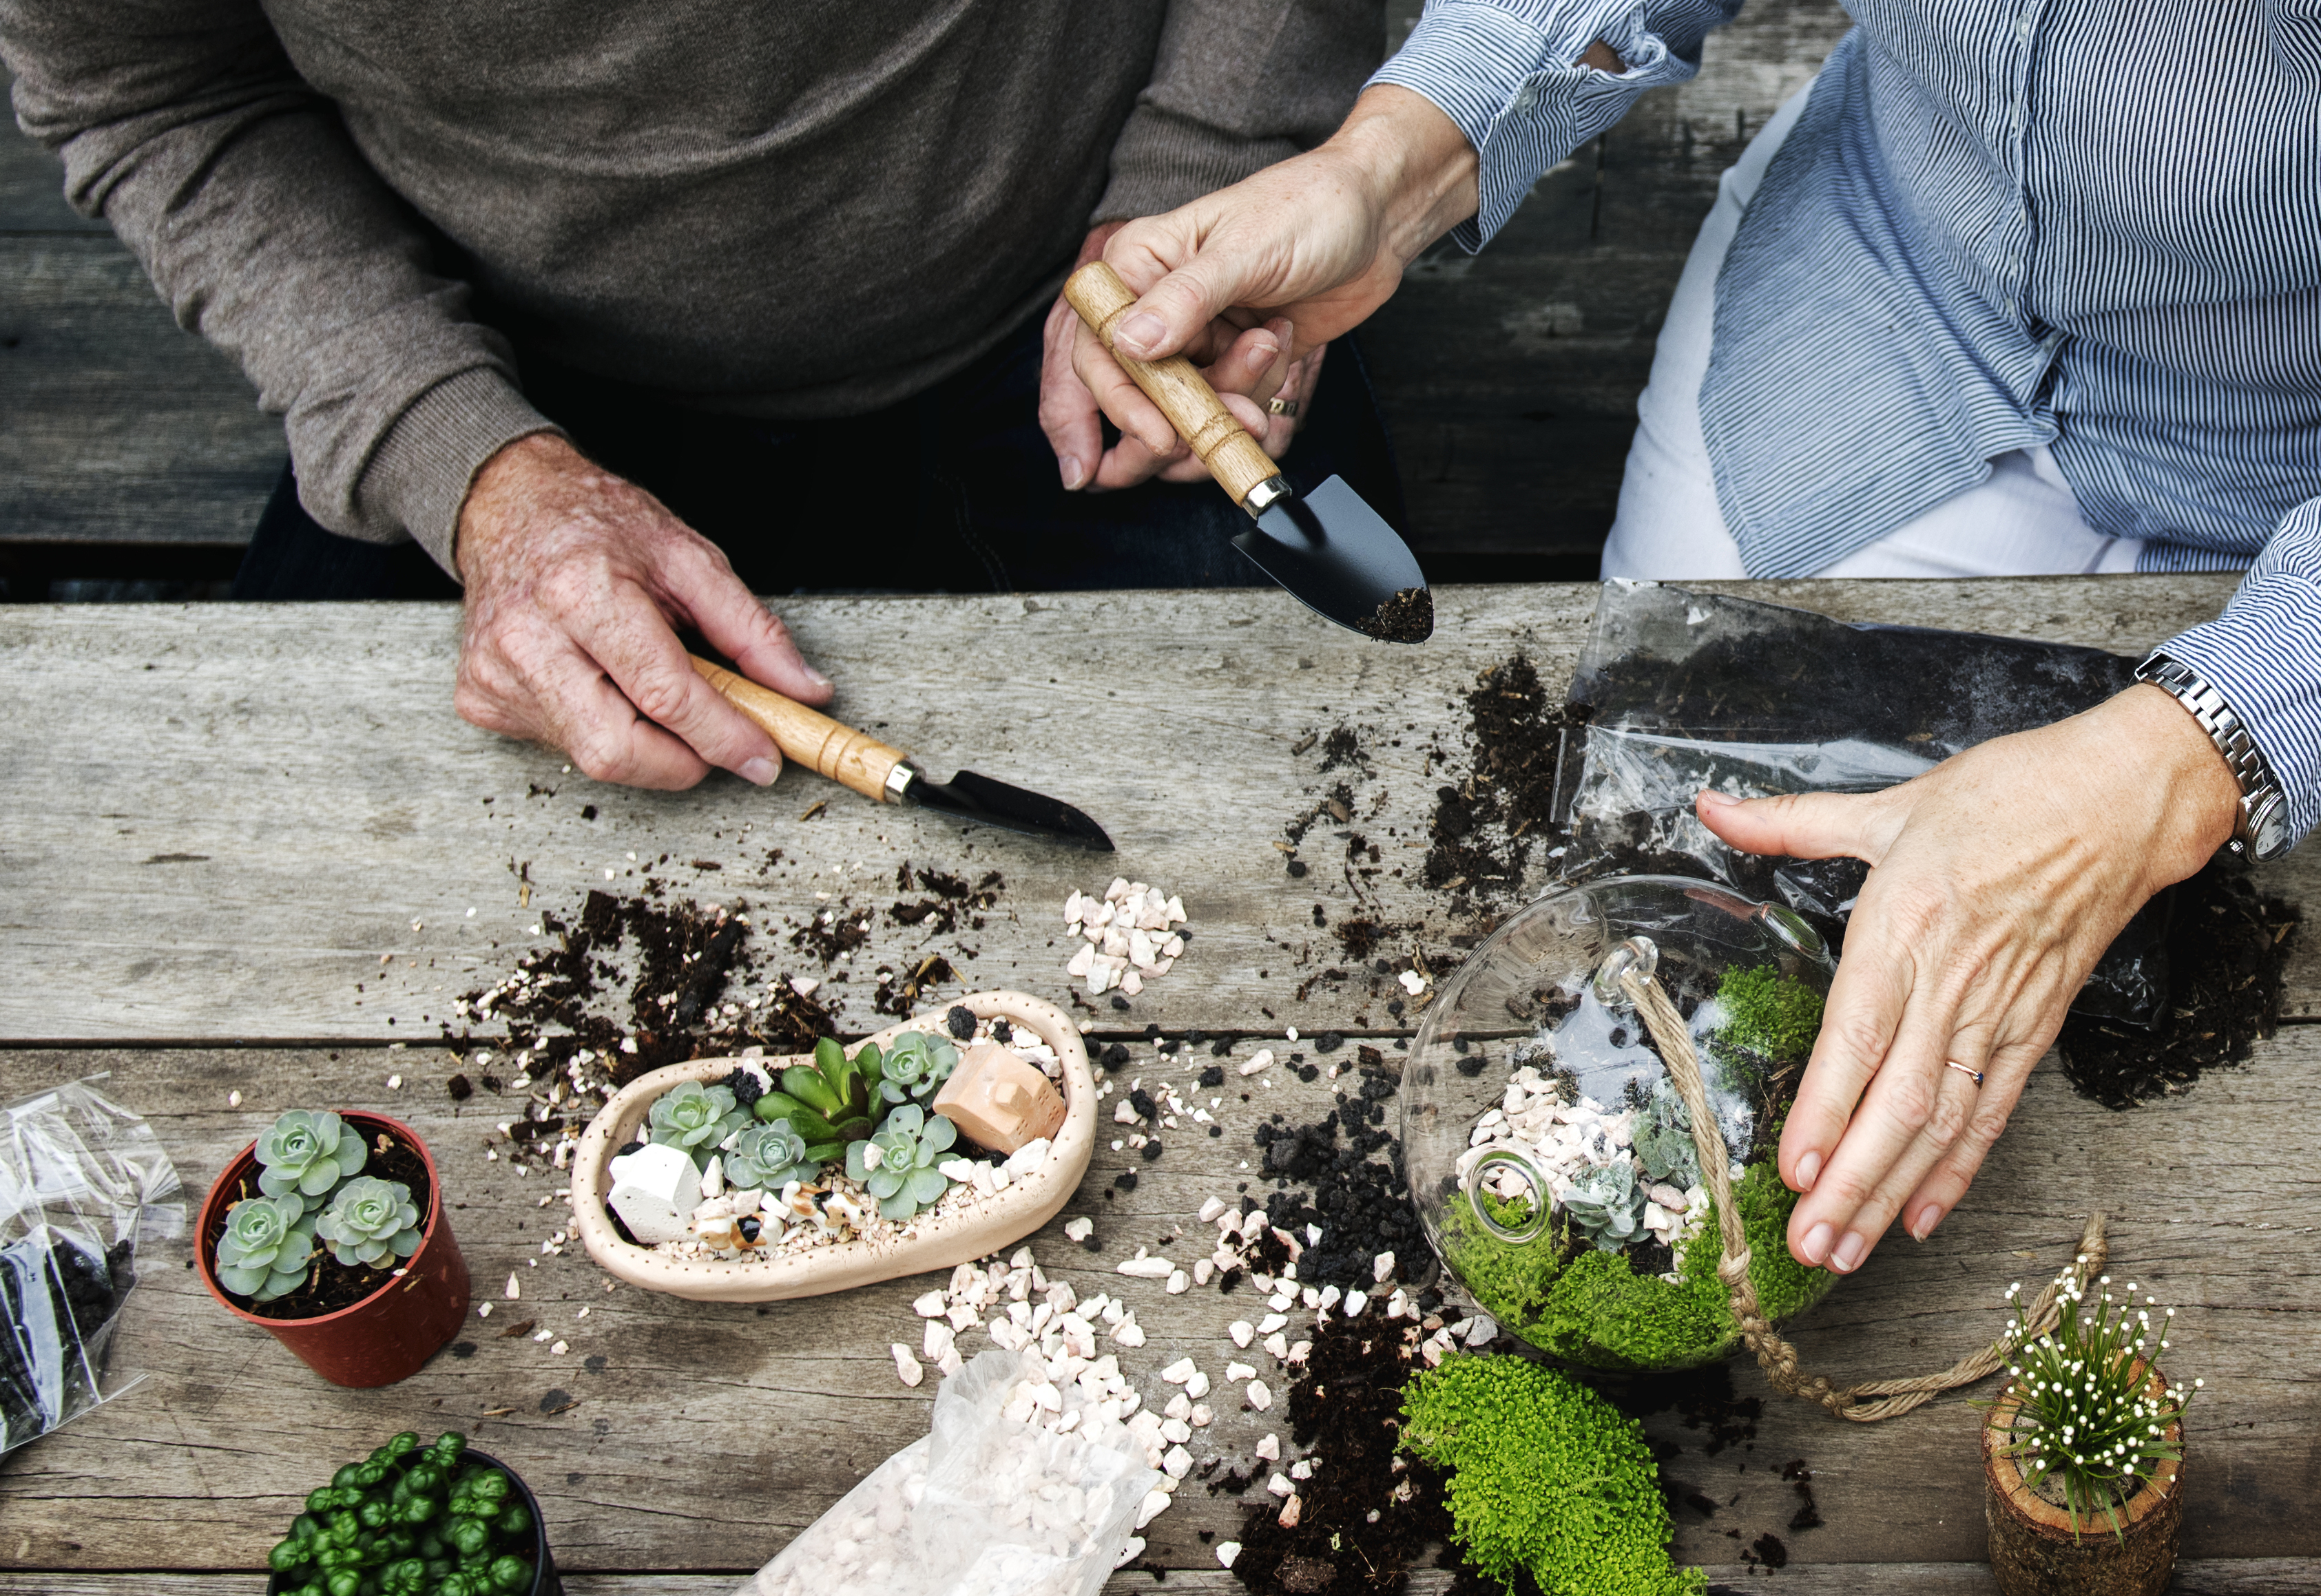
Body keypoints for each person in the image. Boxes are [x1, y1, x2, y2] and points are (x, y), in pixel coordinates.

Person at [1064, 3, 2320, 1279]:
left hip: (2274, 461)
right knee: (1662, 829)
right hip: (1881, 306)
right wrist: (1384, 172)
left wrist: (2191, 750)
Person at [0, 0, 1399, 790]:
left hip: (1098, 286)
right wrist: (454, 453)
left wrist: (1196, 179)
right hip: (501, 375)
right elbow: (153, 93)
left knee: (1337, 789)